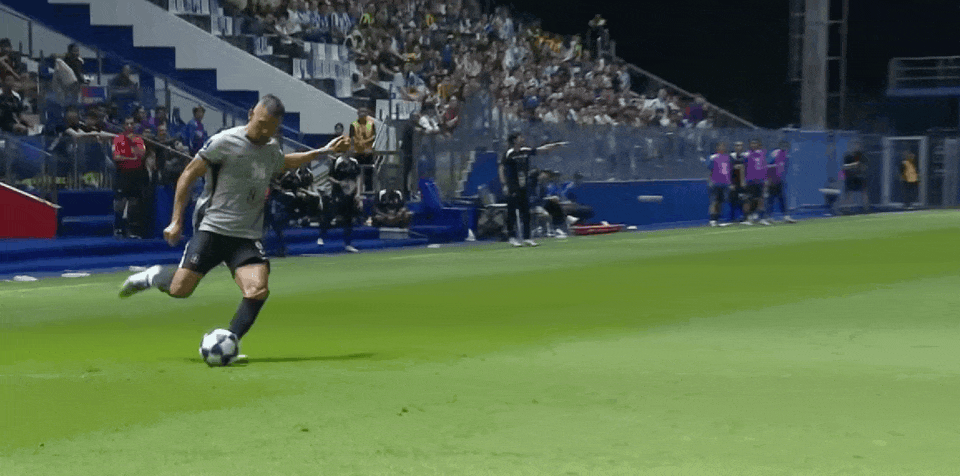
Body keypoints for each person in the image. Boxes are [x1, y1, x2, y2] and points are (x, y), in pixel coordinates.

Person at [119, 95, 347, 353]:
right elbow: (188, 174)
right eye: (261, 124)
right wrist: (176, 220)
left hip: (246, 235)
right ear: (251, 114)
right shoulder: (224, 141)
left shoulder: (270, 148)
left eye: (271, 128)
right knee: (180, 290)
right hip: (213, 228)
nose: (264, 131)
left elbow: (283, 162)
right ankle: (153, 276)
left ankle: (230, 341)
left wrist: (323, 152)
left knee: (257, 289)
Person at [498, 132, 564, 247]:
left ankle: (527, 238)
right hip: (512, 186)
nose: (522, 139)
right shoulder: (509, 153)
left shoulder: (525, 151)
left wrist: (555, 145)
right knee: (512, 213)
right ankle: (512, 237)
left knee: (525, 213)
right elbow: (501, 168)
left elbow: (540, 150)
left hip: (523, 186)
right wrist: (505, 185)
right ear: (514, 140)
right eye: (520, 137)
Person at [112, 115, 149, 238]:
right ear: (123, 125)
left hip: (136, 174)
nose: (129, 126)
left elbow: (141, 155)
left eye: (131, 124)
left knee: (134, 202)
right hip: (122, 174)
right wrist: (131, 158)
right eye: (127, 124)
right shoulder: (118, 139)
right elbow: (116, 157)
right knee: (120, 202)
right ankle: (118, 228)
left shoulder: (138, 139)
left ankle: (131, 229)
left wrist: (132, 146)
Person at [318, 154, 361, 253]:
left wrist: (358, 193)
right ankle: (321, 237)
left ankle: (348, 244)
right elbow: (329, 177)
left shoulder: (354, 162)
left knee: (348, 219)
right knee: (330, 215)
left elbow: (358, 178)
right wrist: (339, 183)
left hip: (350, 194)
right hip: (338, 193)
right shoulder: (337, 161)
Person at [766, 141, 795, 223]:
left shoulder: (786, 155)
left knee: (782, 198)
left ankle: (786, 216)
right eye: (783, 146)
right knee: (771, 199)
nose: (785, 148)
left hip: (779, 180)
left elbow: (783, 168)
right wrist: (769, 179)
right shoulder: (775, 154)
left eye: (786, 146)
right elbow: (768, 166)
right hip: (772, 181)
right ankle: (769, 217)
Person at [349, 107, 376, 192]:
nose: (363, 114)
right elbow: (351, 138)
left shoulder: (371, 124)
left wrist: (372, 149)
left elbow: (374, 137)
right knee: (356, 174)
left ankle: (368, 192)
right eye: (361, 112)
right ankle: (355, 191)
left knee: (368, 174)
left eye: (364, 112)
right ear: (358, 113)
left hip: (368, 153)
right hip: (357, 153)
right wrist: (352, 150)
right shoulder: (353, 124)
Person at [744, 139, 770, 225]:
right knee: (749, 200)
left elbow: (764, 167)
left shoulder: (762, 153)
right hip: (750, 180)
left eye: (755, 144)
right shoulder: (747, 155)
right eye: (752, 144)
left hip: (760, 181)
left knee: (760, 199)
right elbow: (743, 168)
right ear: (750, 145)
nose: (753, 145)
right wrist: (743, 180)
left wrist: (765, 179)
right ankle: (748, 218)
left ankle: (761, 218)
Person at [707, 142, 731, 227]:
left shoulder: (727, 157)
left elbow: (728, 170)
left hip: (724, 183)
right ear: (717, 147)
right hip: (715, 183)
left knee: (721, 202)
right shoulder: (713, 157)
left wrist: (729, 181)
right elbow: (710, 169)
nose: (722, 148)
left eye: (723, 146)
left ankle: (717, 219)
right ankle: (712, 219)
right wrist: (711, 181)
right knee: (714, 201)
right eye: (720, 146)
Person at [842, 147, 870, 213]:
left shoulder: (862, 156)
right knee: (849, 193)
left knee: (864, 192)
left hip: (860, 177)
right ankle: (846, 209)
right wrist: (854, 165)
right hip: (851, 177)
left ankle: (866, 209)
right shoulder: (848, 157)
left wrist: (860, 166)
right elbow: (845, 166)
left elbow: (865, 167)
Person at [728, 141, 747, 223]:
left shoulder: (745, 156)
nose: (738, 147)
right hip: (734, 182)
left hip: (743, 182)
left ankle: (745, 217)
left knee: (744, 200)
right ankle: (732, 218)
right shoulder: (731, 157)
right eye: (737, 146)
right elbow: (728, 169)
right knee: (733, 200)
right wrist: (731, 183)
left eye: (740, 146)